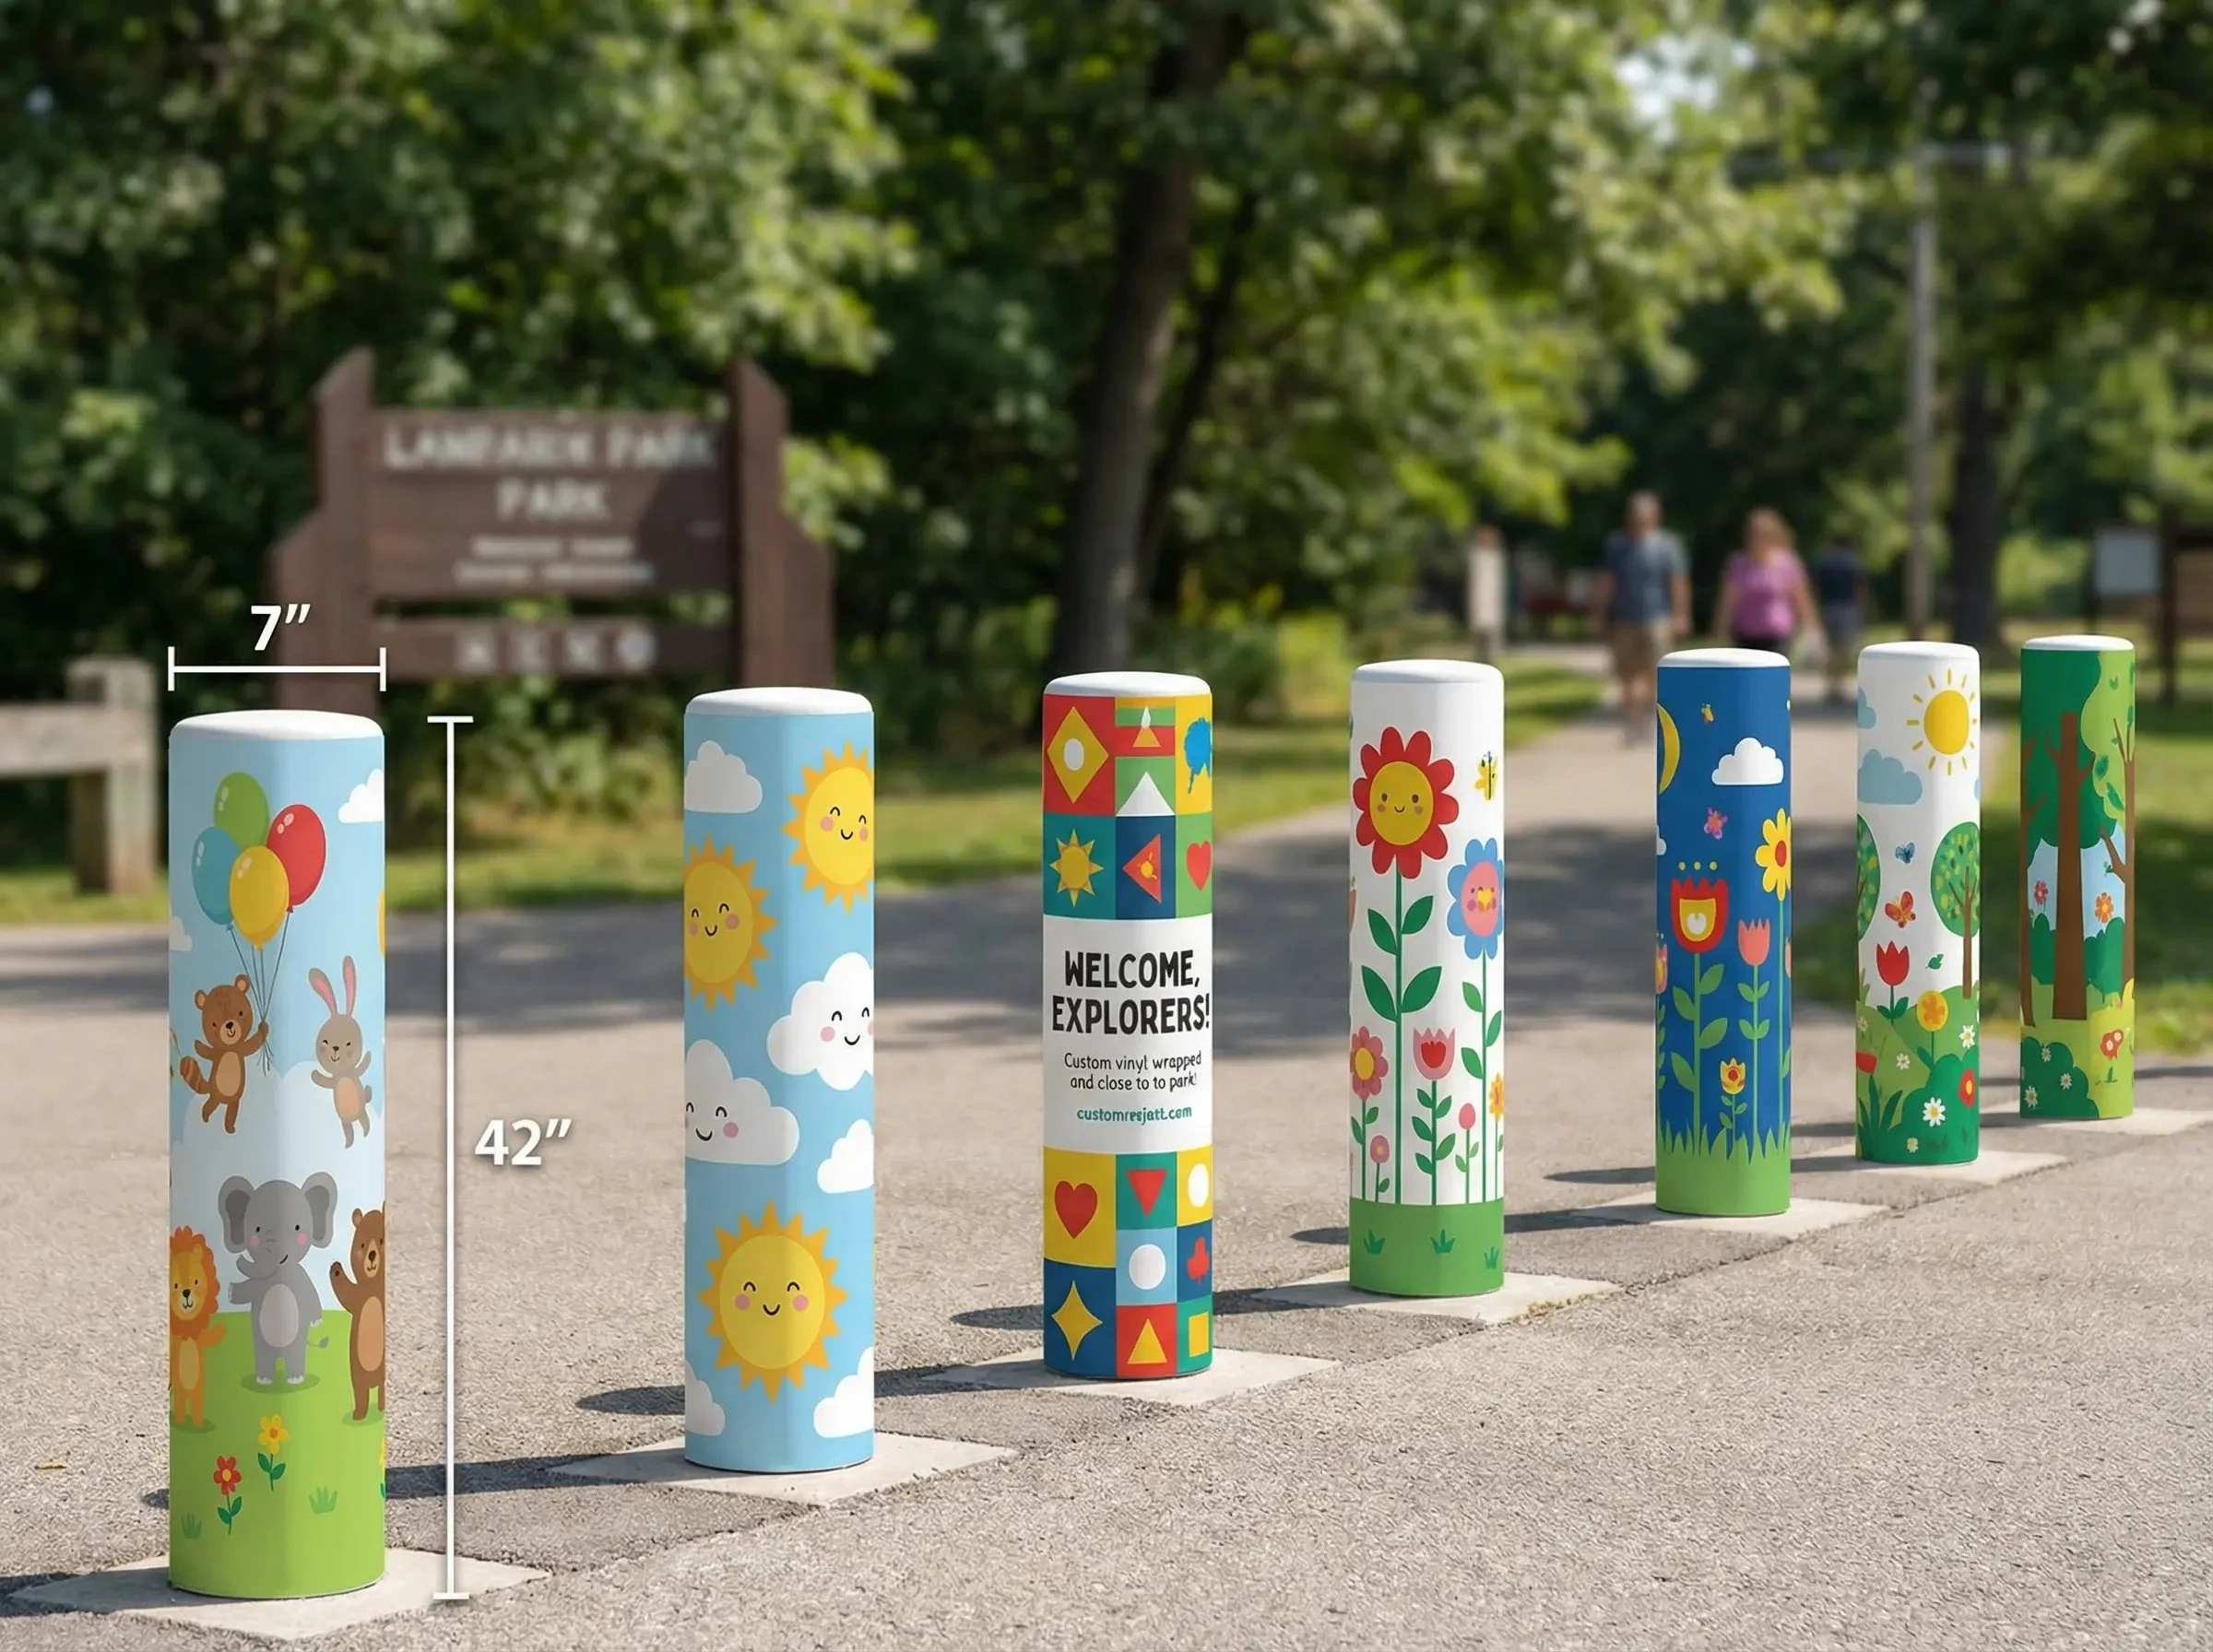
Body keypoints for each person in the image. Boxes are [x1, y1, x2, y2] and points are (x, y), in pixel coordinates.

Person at [1592, 491, 1689, 738]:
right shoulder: (1617, 546)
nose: (1639, 518)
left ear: (1655, 516)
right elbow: (1607, 581)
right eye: (1635, 514)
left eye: (1644, 514)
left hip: (1657, 617)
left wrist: (1680, 614)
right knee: (1626, 674)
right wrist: (1600, 611)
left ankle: (1648, 716)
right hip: (1624, 618)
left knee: (1654, 671)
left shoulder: (1668, 545)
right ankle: (1631, 719)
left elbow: (1677, 581)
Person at [1713, 509, 1825, 661]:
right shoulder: (1738, 563)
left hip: (1778, 635)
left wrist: (1812, 629)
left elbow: (1801, 598)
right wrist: (1720, 630)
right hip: (1745, 634)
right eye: (1752, 533)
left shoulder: (1787, 562)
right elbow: (1727, 601)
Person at [1810, 537, 1867, 704]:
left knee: (1838, 650)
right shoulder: (1848, 563)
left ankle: (1836, 685)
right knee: (1836, 650)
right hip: (1841, 608)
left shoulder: (1830, 563)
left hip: (1837, 608)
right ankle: (1834, 685)